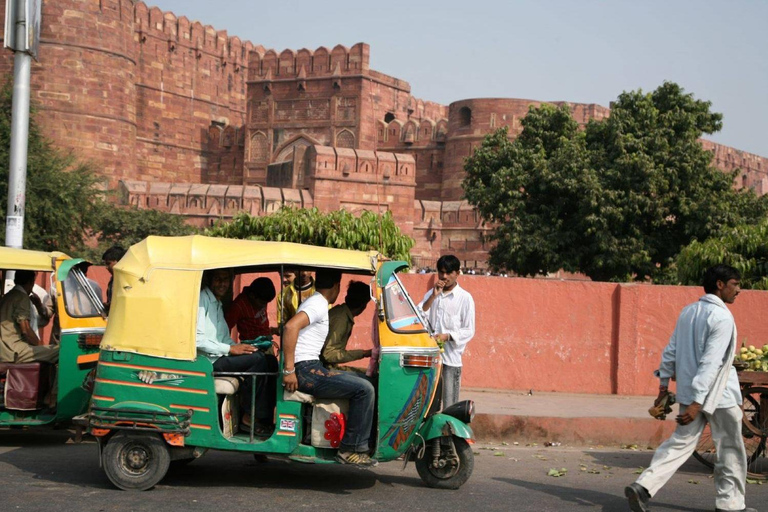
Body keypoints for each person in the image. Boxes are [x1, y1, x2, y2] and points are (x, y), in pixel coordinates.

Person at [625, 265, 756, 512]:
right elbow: (711, 362)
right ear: (720, 284)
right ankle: (730, 505)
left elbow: (670, 351)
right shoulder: (722, 317)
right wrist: (698, 402)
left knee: (679, 444)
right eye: (735, 284)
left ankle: (643, 486)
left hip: (691, 395)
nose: (739, 290)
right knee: (729, 448)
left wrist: (663, 386)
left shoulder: (688, 312)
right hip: (719, 397)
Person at [282, 269, 376, 466]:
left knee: (366, 383)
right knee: (365, 389)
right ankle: (351, 448)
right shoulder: (317, 304)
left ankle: (363, 442)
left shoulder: (319, 303)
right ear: (336, 286)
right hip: (305, 369)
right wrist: (289, 371)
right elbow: (291, 327)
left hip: (311, 366)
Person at [197, 269, 277, 434]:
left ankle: (264, 417)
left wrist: (241, 348)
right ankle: (249, 416)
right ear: (209, 280)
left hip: (221, 354)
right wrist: (230, 348)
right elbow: (198, 341)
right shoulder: (202, 300)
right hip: (210, 360)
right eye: (218, 279)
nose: (222, 284)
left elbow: (224, 338)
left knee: (270, 361)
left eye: (226, 279)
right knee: (259, 360)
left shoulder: (216, 302)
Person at [419, 254, 475, 408]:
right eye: (441, 272)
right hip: (430, 359)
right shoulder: (432, 294)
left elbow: (469, 330)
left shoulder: (464, 298)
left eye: (449, 272)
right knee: (427, 405)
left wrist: (448, 336)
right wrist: (432, 297)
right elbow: (419, 316)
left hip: (451, 361)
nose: (444, 276)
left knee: (449, 407)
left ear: (457, 273)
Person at [0, 270, 59, 363]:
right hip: (13, 350)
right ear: (31, 282)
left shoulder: (8, 296)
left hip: (5, 348)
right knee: (59, 351)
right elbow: (26, 330)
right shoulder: (22, 297)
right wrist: (42, 346)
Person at [321, 281, 372, 373]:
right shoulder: (341, 319)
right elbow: (328, 355)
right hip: (324, 368)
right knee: (369, 382)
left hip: (328, 366)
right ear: (363, 306)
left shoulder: (342, 313)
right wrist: (364, 353)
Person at [101, 245, 126, 313]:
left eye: (108, 263)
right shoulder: (112, 280)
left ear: (119, 261)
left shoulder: (127, 280)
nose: (106, 267)